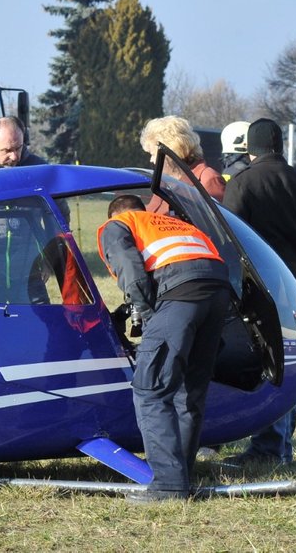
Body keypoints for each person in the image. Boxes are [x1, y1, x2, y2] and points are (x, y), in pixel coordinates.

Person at [97, 194, 233, 501]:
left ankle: (168, 485)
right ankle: (181, 474)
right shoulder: (173, 223)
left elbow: (131, 271)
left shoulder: (118, 224)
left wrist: (146, 316)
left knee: (151, 389)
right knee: (190, 391)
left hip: (180, 295)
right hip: (217, 293)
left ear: (114, 214)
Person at [222, 118, 296, 464]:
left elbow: (234, 243)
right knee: (291, 361)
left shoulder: (242, 184)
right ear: (280, 145)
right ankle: (282, 445)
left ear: (249, 149)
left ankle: (269, 447)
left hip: (260, 287)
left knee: (270, 363)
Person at [140, 116, 225, 213]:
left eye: (153, 154)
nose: (152, 160)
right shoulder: (164, 183)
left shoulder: (208, 179)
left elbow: (214, 224)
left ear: (171, 151)